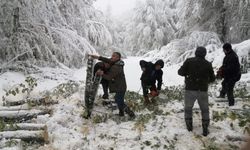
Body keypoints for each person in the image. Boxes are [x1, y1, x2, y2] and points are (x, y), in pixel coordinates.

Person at [178, 47, 215, 136]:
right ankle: (205, 127)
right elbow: (213, 78)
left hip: (190, 89)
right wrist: (205, 81)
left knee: (188, 108)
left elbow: (180, 72)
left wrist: (188, 73)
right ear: (204, 54)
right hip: (202, 90)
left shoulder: (189, 61)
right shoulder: (208, 64)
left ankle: (189, 126)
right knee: (205, 110)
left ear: (196, 53)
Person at [90, 52, 135, 119]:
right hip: (119, 86)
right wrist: (97, 57)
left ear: (118, 58)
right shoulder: (116, 62)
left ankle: (131, 114)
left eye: (114, 56)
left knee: (119, 101)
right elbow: (107, 60)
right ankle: (121, 113)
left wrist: (102, 74)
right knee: (119, 100)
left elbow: (109, 77)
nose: (112, 57)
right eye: (112, 56)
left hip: (120, 87)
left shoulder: (116, 67)